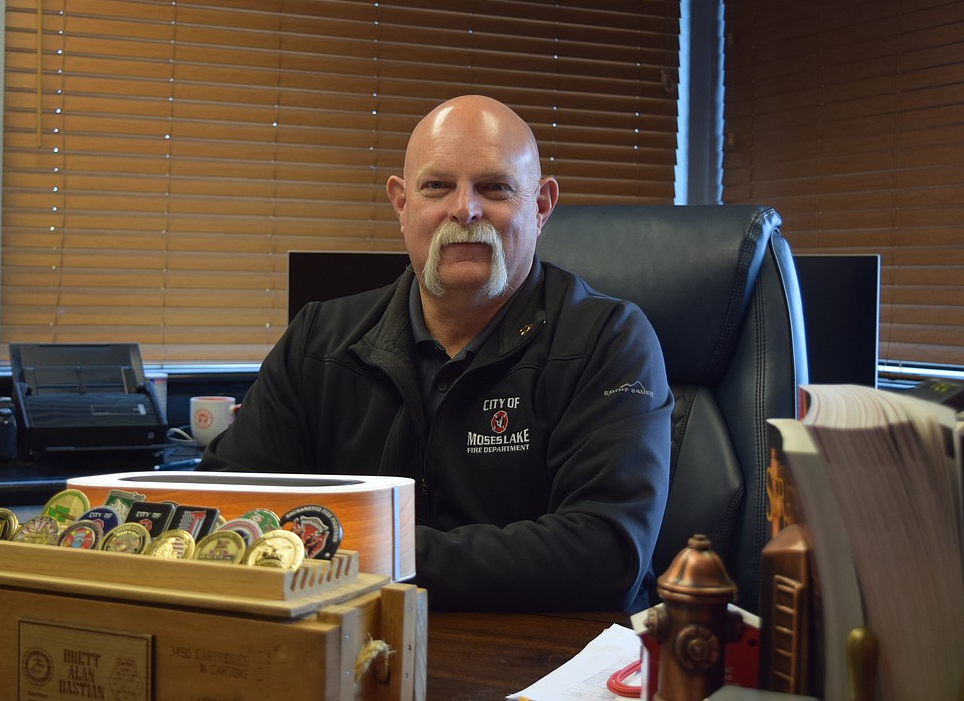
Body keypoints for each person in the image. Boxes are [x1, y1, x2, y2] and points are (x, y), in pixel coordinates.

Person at [199, 95, 673, 612]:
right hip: (350, 647)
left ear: (540, 207)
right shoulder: (318, 339)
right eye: (437, 186)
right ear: (402, 204)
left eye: (493, 187)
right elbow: (224, 513)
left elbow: (606, 555)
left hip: (543, 663)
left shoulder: (607, 338)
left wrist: (359, 554)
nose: (464, 208)